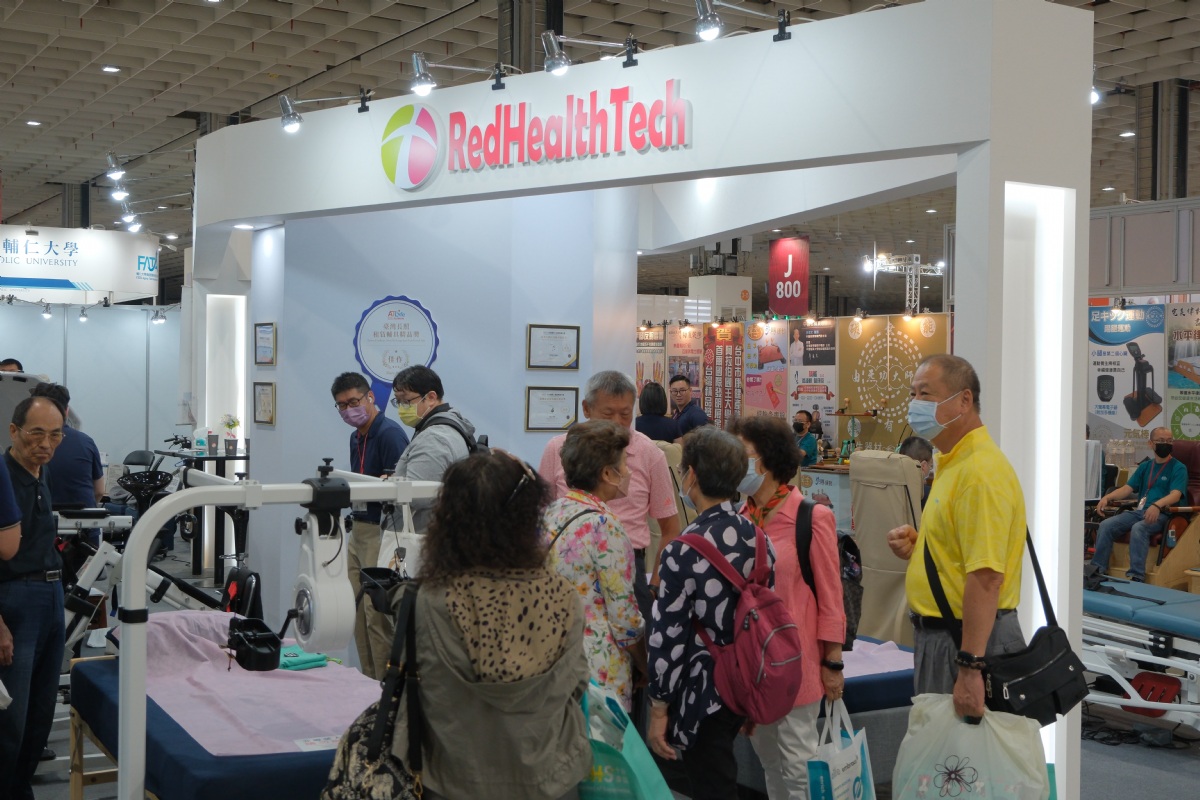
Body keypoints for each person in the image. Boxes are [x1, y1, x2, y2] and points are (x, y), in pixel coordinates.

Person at [398, 452, 591, 800]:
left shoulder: (428, 600)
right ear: (527, 518)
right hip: (550, 780)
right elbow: (576, 686)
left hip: (453, 780)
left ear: (449, 518)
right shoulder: (564, 596)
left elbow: (414, 689)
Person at [886, 354, 1027, 722]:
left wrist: (970, 666)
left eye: (926, 394)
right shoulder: (954, 462)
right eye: (913, 394)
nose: (915, 404)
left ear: (964, 400)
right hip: (947, 638)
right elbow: (966, 550)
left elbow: (987, 576)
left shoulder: (979, 471)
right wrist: (922, 546)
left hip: (966, 642)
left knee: (963, 754)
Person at [646, 426, 775, 800]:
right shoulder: (760, 539)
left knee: (711, 785)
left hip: (700, 690)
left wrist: (658, 707)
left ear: (691, 475)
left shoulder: (681, 551)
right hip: (743, 681)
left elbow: (668, 634)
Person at [728, 415, 845, 800]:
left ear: (766, 459)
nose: (735, 463)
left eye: (742, 454)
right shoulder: (740, 520)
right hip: (754, 664)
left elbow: (831, 596)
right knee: (769, 763)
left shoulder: (812, 517)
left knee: (799, 766)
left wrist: (832, 662)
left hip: (798, 662)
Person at [538, 371, 679, 616]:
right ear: (586, 408)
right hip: (568, 568)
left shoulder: (649, 454)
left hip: (630, 568)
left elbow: (670, 527)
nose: (616, 422)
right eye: (607, 414)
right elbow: (540, 516)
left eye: (625, 414)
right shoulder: (557, 449)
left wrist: (654, 584)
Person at [544, 421, 644, 711]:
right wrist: (645, 664)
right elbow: (624, 619)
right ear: (607, 474)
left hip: (550, 659)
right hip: (597, 671)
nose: (628, 472)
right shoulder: (604, 525)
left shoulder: (551, 513)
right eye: (623, 464)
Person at [0, 396, 66, 800]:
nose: (45, 444)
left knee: (41, 713)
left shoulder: (42, 473)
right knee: (11, 716)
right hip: (14, 599)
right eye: (36, 433)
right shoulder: (3, 477)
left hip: (51, 594)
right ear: (14, 431)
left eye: (55, 435)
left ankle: (19, 791)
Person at [330, 371, 410, 680]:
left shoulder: (390, 434)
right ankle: (367, 682)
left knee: (377, 617)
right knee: (358, 614)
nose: (348, 410)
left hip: (381, 530)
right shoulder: (356, 436)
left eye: (353, 402)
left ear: (370, 397)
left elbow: (400, 491)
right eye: (341, 406)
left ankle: (385, 689)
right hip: (358, 530)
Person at [1091, 427, 1187, 582]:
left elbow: (1175, 494)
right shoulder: (1145, 466)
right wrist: (1107, 497)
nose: (1166, 444)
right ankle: (1098, 569)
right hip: (1140, 512)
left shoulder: (1178, 467)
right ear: (1151, 443)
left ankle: (1137, 575)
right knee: (1106, 525)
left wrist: (1157, 506)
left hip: (1164, 514)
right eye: (1161, 440)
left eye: (1169, 441)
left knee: (1139, 528)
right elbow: (1127, 489)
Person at [391, 365, 477, 532]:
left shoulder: (434, 438)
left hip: (422, 536)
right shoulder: (445, 427)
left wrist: (390, 486)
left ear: (431, 397)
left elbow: (417, 497)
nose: (401, 407)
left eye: (406, 401)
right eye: (398, 401)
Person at [898, 434, 934, 508]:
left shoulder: (886, 487)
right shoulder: (929, 494)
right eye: (930, 466)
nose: (930, 469)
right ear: (923, 466)